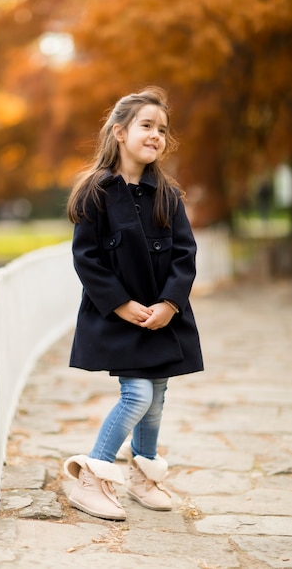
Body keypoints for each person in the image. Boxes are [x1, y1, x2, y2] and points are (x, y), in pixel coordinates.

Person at [63, 86, 203, 521]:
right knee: (138, 393)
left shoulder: (168, 195)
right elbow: (86, 258)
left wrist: (170, 304)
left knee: (157, 395)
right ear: (120, 132)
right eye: (147, 125)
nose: (156, 134)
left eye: (162, 129)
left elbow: (185, 255)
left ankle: (144, 475)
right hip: (121, 316)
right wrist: (121, 303)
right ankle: (93, 475)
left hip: (162, 316)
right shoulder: (97, 192)